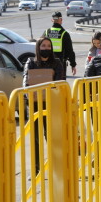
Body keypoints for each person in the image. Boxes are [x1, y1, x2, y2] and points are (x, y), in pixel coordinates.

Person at [22, 37, 66, 174]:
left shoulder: (57, 63)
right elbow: (25, 80)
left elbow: (59, 81)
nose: (46, 48)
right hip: (34, 105)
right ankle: (36, 169)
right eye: (43, 46)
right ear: (38, 47)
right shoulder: (31, 62)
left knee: (52, 136)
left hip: (51, 104)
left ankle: (56, 167)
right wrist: (27, 92)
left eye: (48, 46)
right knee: (35, 137)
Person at [43, 11, 77, 76]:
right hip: (61, 64)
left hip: (47, 64)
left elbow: (39, 47)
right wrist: (73, 65)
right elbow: (70, 51)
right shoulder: (64, 34)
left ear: (52, 20)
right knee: (60, 84)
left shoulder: (46, 32)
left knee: (49, 84)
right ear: (61, 20)